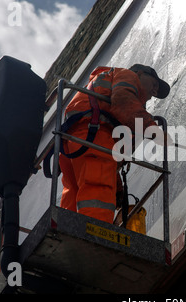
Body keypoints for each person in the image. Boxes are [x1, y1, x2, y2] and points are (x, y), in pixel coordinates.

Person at [59, 64, 171, 224]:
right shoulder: (127, 76)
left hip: (74, 142)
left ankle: (65, 227)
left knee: (74, 190)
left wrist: (118, 188)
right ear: (139, 73)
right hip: (94, 135)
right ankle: (95, 234)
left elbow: (104, 163)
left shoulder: (103, 84)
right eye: (154, 85)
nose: (154, 92)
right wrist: (152, 129)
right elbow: (124, 103)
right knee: (99, 188)